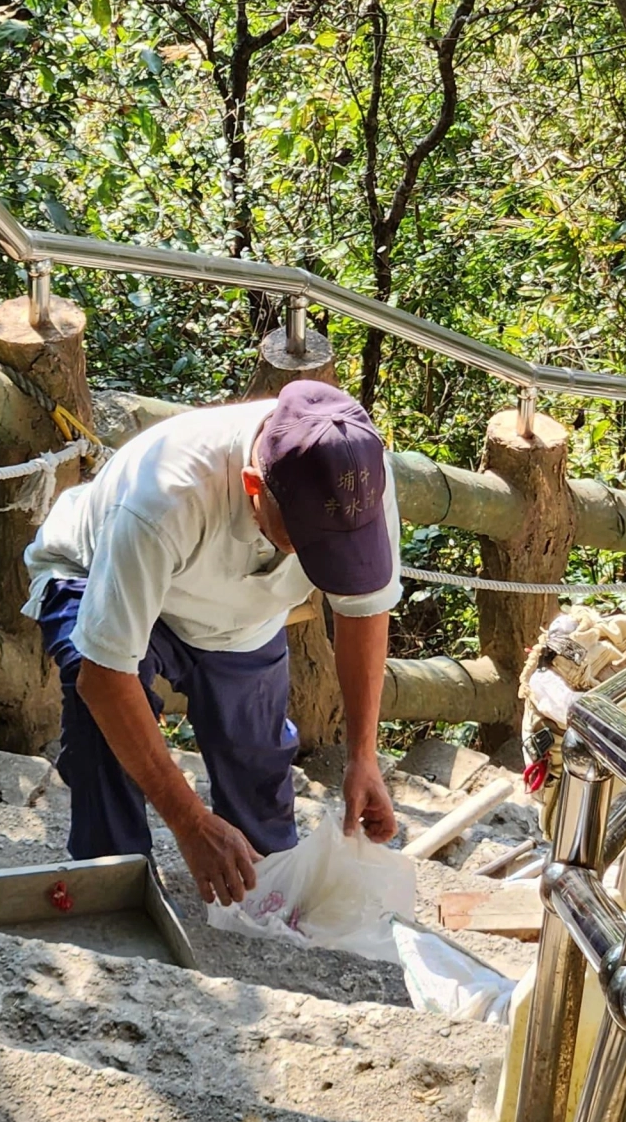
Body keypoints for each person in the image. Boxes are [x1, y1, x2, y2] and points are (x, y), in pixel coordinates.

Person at [24, 377, 402, 904]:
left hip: (237, 619)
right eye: (305, 544)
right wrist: (190, 821)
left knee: (259, 779)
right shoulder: (163, 499)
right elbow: (105, 678)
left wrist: (364, 756)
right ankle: (112, 883)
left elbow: (365, 609)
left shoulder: (358, 479)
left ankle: (260, 886)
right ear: (254, 486)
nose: (311, 562)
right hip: (97, 578)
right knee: (102, 735)